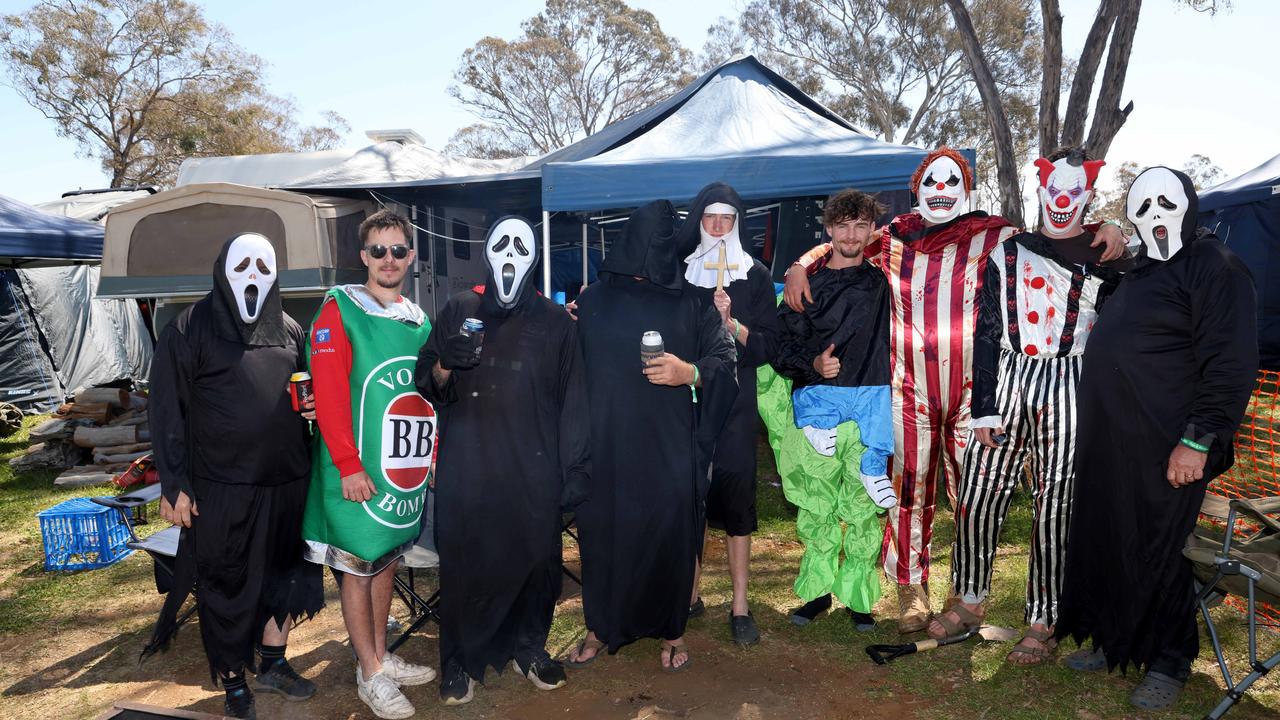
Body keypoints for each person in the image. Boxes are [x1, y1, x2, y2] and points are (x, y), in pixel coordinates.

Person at [782, 147, 1127, 632]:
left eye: (951, 183)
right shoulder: (891, 238)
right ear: (917, 187)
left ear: (966, 188)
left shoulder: (993, 233)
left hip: (971, 391)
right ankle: (910, 586)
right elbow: (841, 245)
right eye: (932, 183)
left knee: (974, 493)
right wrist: (800, 263)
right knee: (908, 488)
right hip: (908, 388)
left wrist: (1106, 227)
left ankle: (965, 591)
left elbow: (1056, 231)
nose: (941, 192)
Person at [1055, 167, 1258, 710]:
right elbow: (1070, 243)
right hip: (1111, 438)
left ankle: (1169, 658)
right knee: (1110, 536)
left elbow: (1230, 363)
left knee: (1162, 550)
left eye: (1165, 202)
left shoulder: (1217, 267)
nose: (1153, 216)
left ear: (1189, 205)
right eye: (1140, 208)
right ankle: (1116, 638)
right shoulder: (1141, 270)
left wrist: (1197, 441)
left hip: (1168, 442)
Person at [935, 147, 1126, 665]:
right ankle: (968, 597)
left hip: (1070, 381)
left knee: (1057, 502)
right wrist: (985, 406)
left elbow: (1164, 267)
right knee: (978, 488)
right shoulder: (1008, 251)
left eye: (1074, 193)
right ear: (1041, 190)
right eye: (1054, 190)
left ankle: (1044, 616)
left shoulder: (1109, 258)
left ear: (1087, 195)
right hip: (1011, 374)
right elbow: (987, 328)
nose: (1062, 200)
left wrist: (1116, 228)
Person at [145, 233, 324, 719]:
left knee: (285, 579)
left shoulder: (290, 329)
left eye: (263, 267)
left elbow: (304, 396)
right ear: (222, 268)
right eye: (242, 264)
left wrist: (311, 409)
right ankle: (232, 680)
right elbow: (166, 412)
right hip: (220, 489)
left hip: (287, 483)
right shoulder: (189, 329)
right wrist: (174, 485)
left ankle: (272, 663)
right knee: (227, 585)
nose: (252, 275)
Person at [415, 216, 590, 705]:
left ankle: (529, 647)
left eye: (521, 246)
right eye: (502, 244)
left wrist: (575, 468)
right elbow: (424, 382)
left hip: (534, 469)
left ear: (533, 256)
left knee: (536, 563)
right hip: (468, 468)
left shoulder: (556, 323)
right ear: (488, 253)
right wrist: (446, 362)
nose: (511, 254)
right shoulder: (458, 309)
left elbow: (574, 399)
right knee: (467, 565)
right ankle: (459, 662)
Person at [566, 200, 737, 672]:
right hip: (605, 445)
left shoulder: (692, 302)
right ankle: (600, 627)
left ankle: (671, 630)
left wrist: (690, 373)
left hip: (667, 448)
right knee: (604, 537)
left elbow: (726, 364)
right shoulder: (594, 301)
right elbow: (567, 366)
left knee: (668, 536)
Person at [303, 210, 437, 720]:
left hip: (401, 468)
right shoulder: (339, 309)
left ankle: (378, 655)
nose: (388, 259)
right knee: (356, 566)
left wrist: (429, 457)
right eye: (378, 251)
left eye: (398, 250)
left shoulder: (419, 320)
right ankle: (369, 673)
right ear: (363, 256)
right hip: (356, 468)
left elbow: (423, 396)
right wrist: (347, 464)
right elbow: (332, 395)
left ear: (410, 256)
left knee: (387, 557)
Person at [766, 189, 895, 631]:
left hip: (867, 414)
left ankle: (860, 598)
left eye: (861, 225)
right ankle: (818, 593)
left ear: (871, 230)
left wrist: (800, 261)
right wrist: (814, 365)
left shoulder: (885, 284)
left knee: (861, 505)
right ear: (829, 229)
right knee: (818, 507)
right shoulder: (807, 288)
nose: (852, 235)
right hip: (819, 412)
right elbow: (782, 348)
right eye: (843, 226)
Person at [679, 182, 781, 647]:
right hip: (688, 400)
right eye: (710, 219)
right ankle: (689, 593)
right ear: (698, 221)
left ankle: (740, 605)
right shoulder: (680, 275)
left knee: (737, 494)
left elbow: (767, 348)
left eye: (727, 219)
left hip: (737, 401)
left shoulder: (755, 275)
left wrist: (732, 324)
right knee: (689, 495)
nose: (718, 228)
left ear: (738, 223)